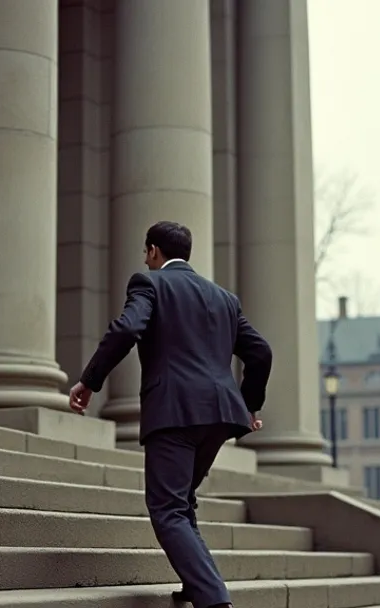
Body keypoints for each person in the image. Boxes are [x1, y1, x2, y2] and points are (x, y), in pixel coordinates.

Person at [68, 221, 273, 608]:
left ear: (152, 252)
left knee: (167, 509)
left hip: (175, 413)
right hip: (219, 416)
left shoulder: (149, 283)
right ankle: (198, 585)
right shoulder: (224, 299)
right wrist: (248, 405)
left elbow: (127, 328)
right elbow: (260, 352)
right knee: (182, 502)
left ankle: (214, 600)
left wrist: (90, 381)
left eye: (145, 253)